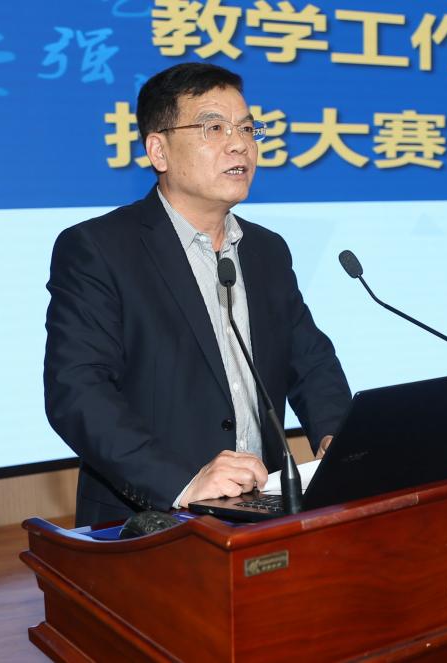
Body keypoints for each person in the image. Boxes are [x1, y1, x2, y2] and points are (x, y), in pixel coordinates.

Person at [44, 63, 352, 526]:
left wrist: (337, 438)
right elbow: (78, 391)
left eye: (247, 128)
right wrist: (182, 482)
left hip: (263, 508)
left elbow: (310, 361)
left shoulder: (266, 250)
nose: (239, 144)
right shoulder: (99, 248)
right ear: (159, 150)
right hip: (151, 522)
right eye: (214, 128)